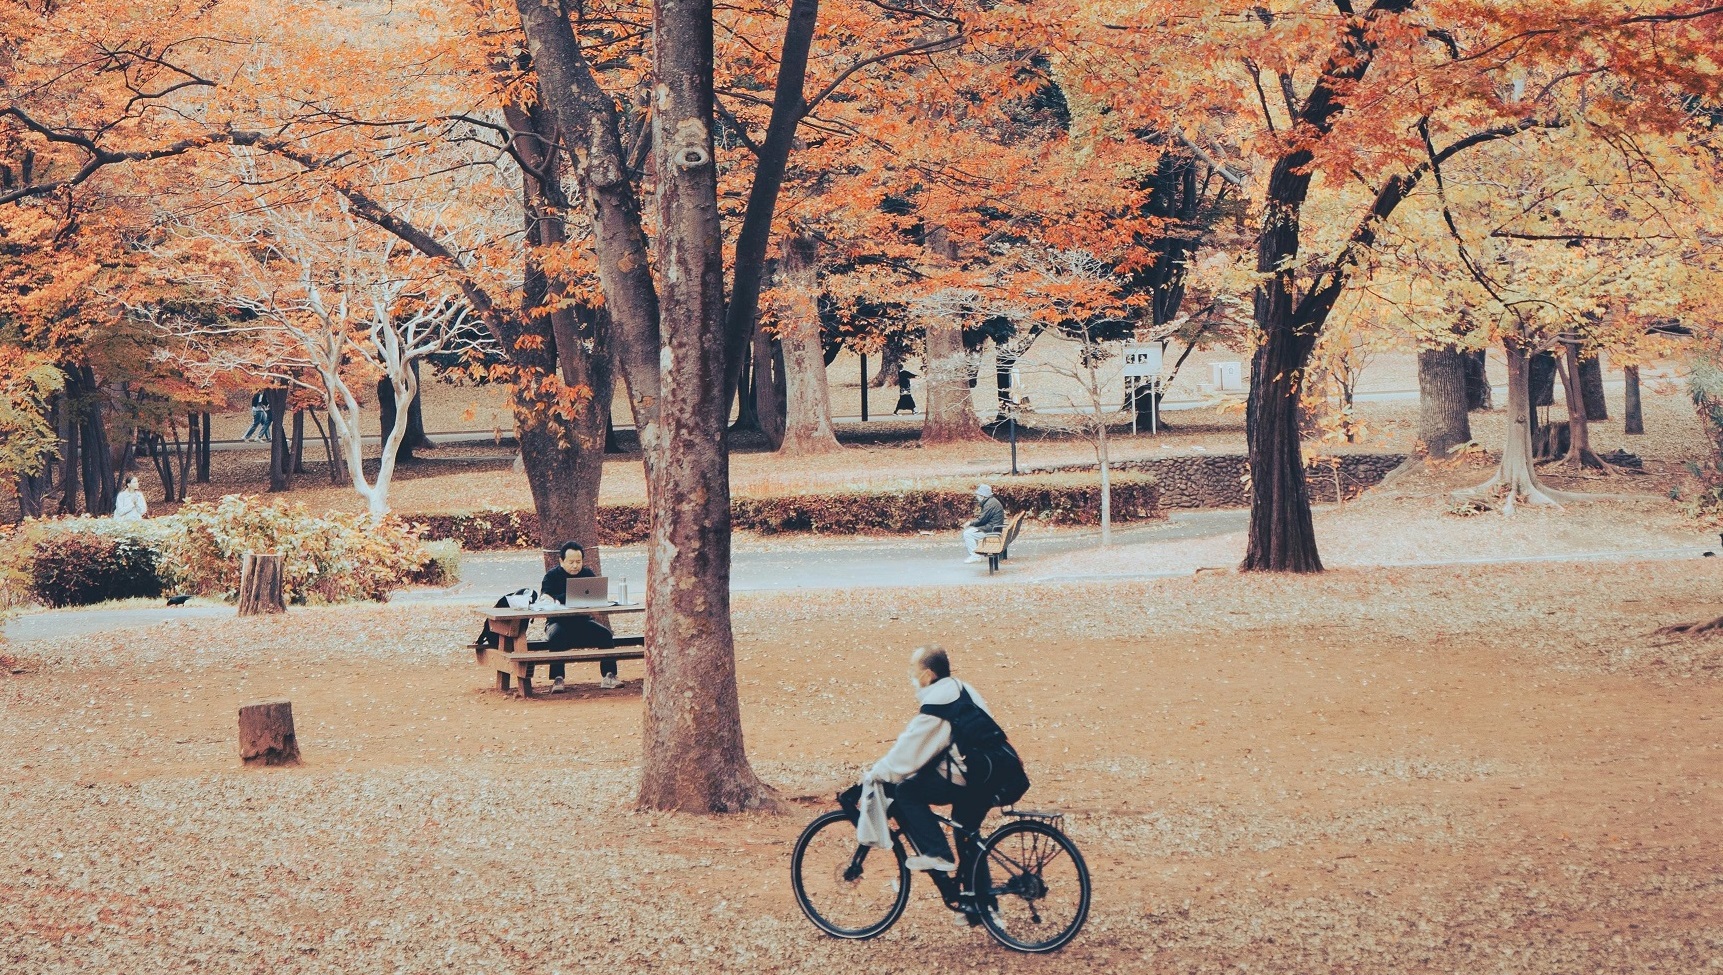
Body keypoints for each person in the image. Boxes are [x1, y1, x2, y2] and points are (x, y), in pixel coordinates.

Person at [863, 645, 999, 922]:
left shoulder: (940, 702)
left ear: (926, 675)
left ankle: (937, 853)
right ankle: (984, 908)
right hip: (987, 773)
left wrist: (878, 772)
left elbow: (910, 749)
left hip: (970, 775)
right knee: (967, 833)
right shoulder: (960, 688)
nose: (910, 677)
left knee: (907, 791)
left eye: (913, 671)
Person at [539, 541, 619, 692]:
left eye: (578, 561)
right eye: (571, 562)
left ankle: (609, 676)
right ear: (561, 561)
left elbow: (597, 595)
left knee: (606, 635)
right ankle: (558, 679)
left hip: (582, 622)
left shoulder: (587, 574)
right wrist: (566, 597)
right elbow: (545, 598)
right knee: (556, 636)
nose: (575, 566)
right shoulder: (551, 576)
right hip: (557, 622)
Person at [961, 484, 1004, 563]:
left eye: (978, 495)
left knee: (967, 534)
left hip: (992, 531)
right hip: (994, 528)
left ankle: (975, 556)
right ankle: (976, 554)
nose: (977, 497)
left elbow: (981, 520)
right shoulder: (991, 502)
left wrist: (970, 523)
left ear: (983, 496)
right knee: (971, 532)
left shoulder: (989, 504)